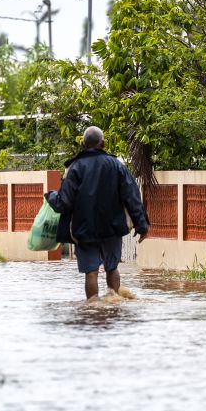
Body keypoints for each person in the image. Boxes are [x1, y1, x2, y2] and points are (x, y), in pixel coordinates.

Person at [45, 126, 150, 299]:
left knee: (91, 272)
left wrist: (51, 197)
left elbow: (63, 203)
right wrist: (142, 225)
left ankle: (92, 309)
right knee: (112, 267)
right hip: (112, 228)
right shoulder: (117, 165)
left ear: (84, 144)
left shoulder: (75, 168)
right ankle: (114, 302)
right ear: (103, 143)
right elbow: (132, 197)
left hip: (84, 230)